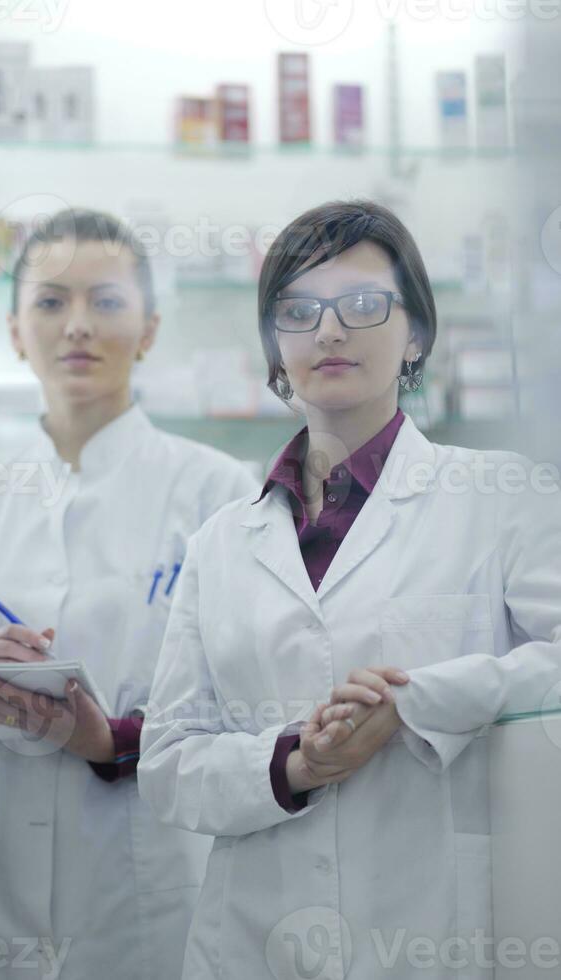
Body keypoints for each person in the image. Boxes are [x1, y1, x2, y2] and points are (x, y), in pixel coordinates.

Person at [138, 199, 561, 980]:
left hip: (429, 937)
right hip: (251, 943)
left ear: (417, 335)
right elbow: (167, 765)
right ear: (273, 348)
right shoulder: (221, 543)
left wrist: (419, 700)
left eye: (363, 305)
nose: (328, 332)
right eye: (298, 311)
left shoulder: (502, 495)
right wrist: (291, 766)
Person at [0, 208, 259, 979]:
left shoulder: (220, 494)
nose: (78, 326)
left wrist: (113, 741)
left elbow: (253, 710)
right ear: (16, 330)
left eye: (107, 301)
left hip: (152, 889)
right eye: (51, 302)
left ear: (150, 328)